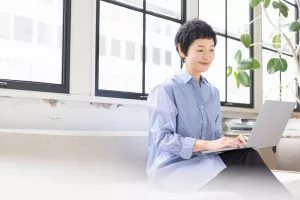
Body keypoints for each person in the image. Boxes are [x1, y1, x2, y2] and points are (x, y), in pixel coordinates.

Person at [146, 18, 293, 200]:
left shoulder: (212, 92)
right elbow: (162, 139)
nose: (207, 56)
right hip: (173, 170)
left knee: (247, 154)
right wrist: (209, 144)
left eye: (211, 50)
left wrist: (231, 142)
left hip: (204, 163)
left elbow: (214, 137)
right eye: (200, 50)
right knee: (248, 168)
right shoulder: (166, 89)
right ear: (181, 50)